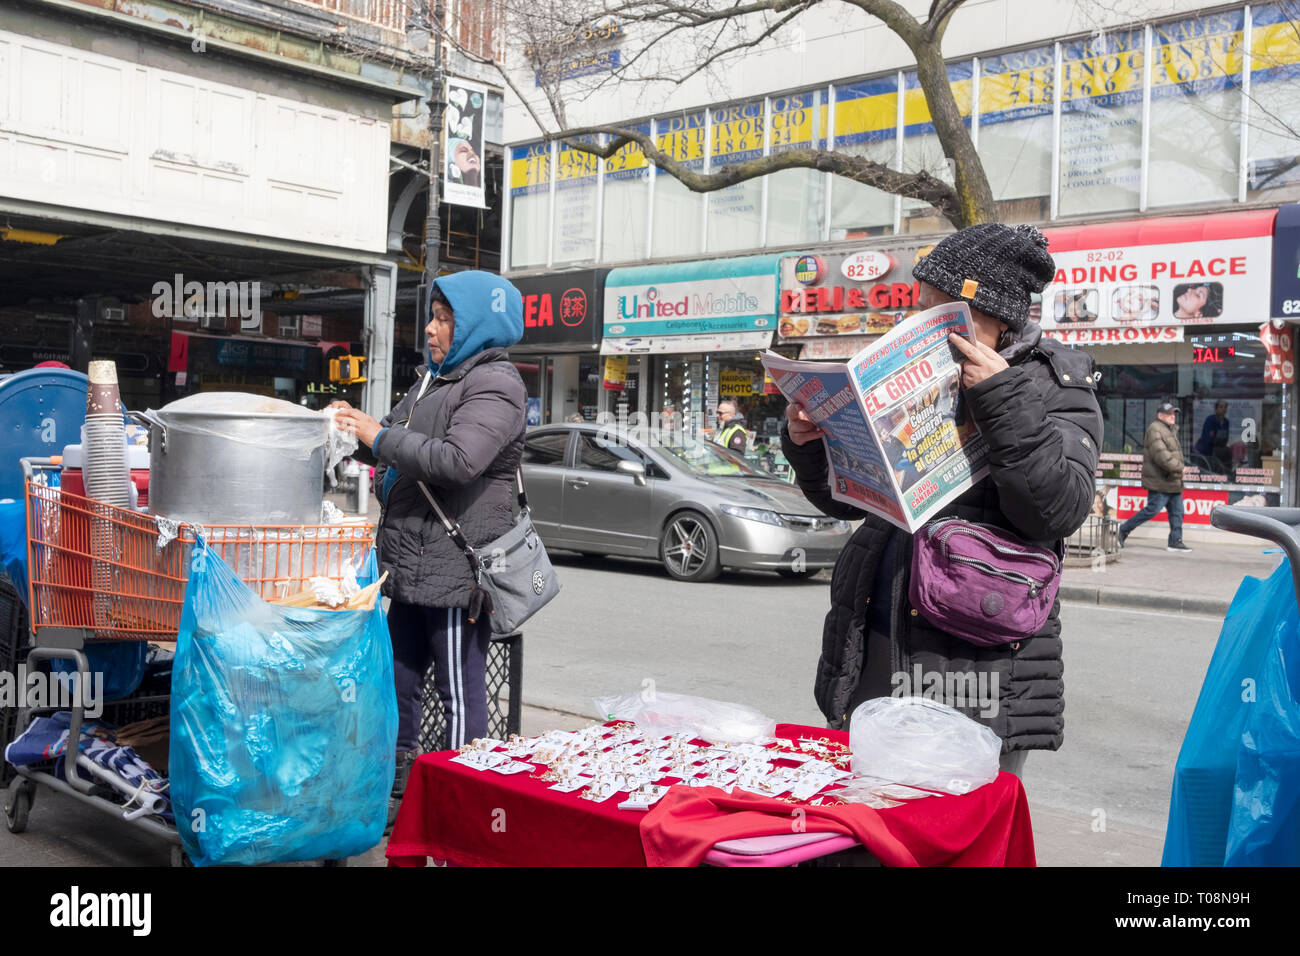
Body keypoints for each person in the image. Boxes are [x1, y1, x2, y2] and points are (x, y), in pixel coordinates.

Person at [783, 223, 1103, 777]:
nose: (925, 326)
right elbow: (845, 504)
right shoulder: (917, 373)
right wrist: (810, 443)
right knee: (867, 824)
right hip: (876, 634)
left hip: (978, 654)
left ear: (1000, 321)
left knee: (959, 832)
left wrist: (998, 397)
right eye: (921, 309)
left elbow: (1058, 509)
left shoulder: (1055, 384)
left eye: (945, 315)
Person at [332, 270, 526, 822]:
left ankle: (460, 801)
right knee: (398, 679)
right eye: (433, 316)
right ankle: (400, 789)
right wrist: (350, 430)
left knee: (458, 693)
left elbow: (458, 461)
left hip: (457, 568)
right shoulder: (429, 381)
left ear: (477, 325)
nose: (432, 329)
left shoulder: (496, 384)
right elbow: (390, 445)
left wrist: (380, 436)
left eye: (446, 319)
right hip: (409, 562)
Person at [1119, 402, 1191, 552]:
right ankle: (1124, 529)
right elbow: (1161, 456)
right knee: (1152, 510)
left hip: (1172, 481)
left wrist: (1177, 471)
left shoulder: (1168, 430)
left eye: (1174, 414)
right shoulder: (1155, 429)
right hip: (1160, 481)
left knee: (1178, 512)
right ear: (1160, 415)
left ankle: (1175, 541)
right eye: (1169, 414)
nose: (1173, 416)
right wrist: (1179, 468)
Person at [1194, 400, 1231, 473]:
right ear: (1216, 409)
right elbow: (1208, 437)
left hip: (1218, 450)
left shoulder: (1226, 421)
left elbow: (1225, 436)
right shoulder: (1210, 420)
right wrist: (1216, 440)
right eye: (1221, 407)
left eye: (1225, 407)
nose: (1224, 409)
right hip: (1205, 450)